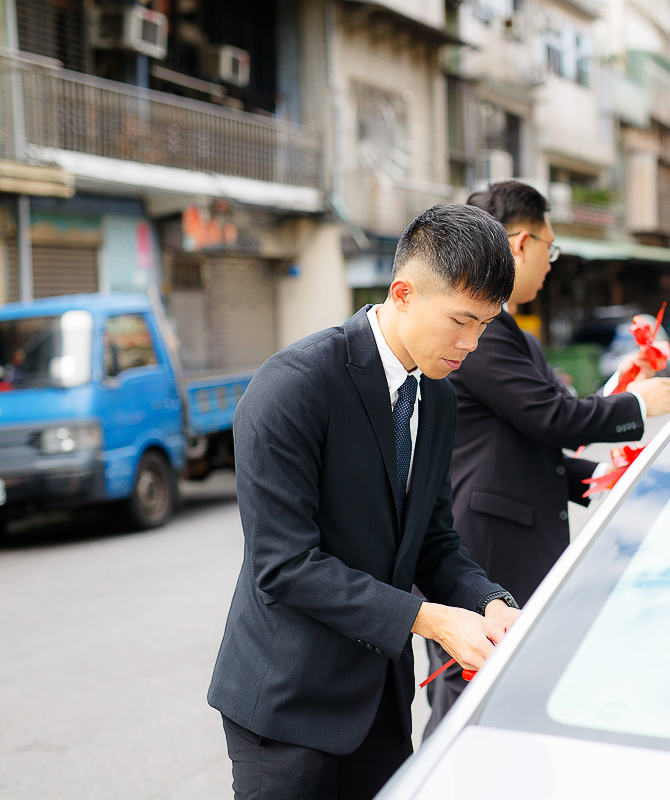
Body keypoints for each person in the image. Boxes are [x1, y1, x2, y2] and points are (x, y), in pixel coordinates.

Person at [208, 204, 522, 800]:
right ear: (403, 293)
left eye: (485, 324)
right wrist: (427, 619)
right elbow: (285, 565)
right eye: (461, 321)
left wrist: (488, 603)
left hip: (378, 701)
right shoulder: (295, 385)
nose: (472, 343)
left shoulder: (439, 397)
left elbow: (432, 541)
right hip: (286, 701)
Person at [422, 181, 670, 736]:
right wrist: (637, 403)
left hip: (514, 533)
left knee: (507, 688)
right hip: (485, 543)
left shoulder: (513, 332)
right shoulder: (482, 330)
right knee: (468, 690)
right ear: (520, 243)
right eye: (550, 247)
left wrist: (616, 479)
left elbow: (534, 446)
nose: (550, 263)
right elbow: (552, 417)